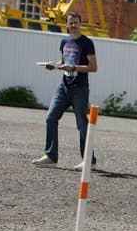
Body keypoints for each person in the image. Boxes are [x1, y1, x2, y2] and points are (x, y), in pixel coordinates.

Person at [32, 11, 98, 169]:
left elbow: (94, 67)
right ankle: (50, 156)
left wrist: (74, 67)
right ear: (67, 24)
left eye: (76, 22)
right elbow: (63, 61)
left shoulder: (87, 43)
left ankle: (89, 161)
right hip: (64, 85)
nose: (73, 25)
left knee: (82, 124)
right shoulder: (64, 41)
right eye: (71, 22)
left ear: (80, 24)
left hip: (80, 88)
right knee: (50, 118)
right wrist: (53, 65)